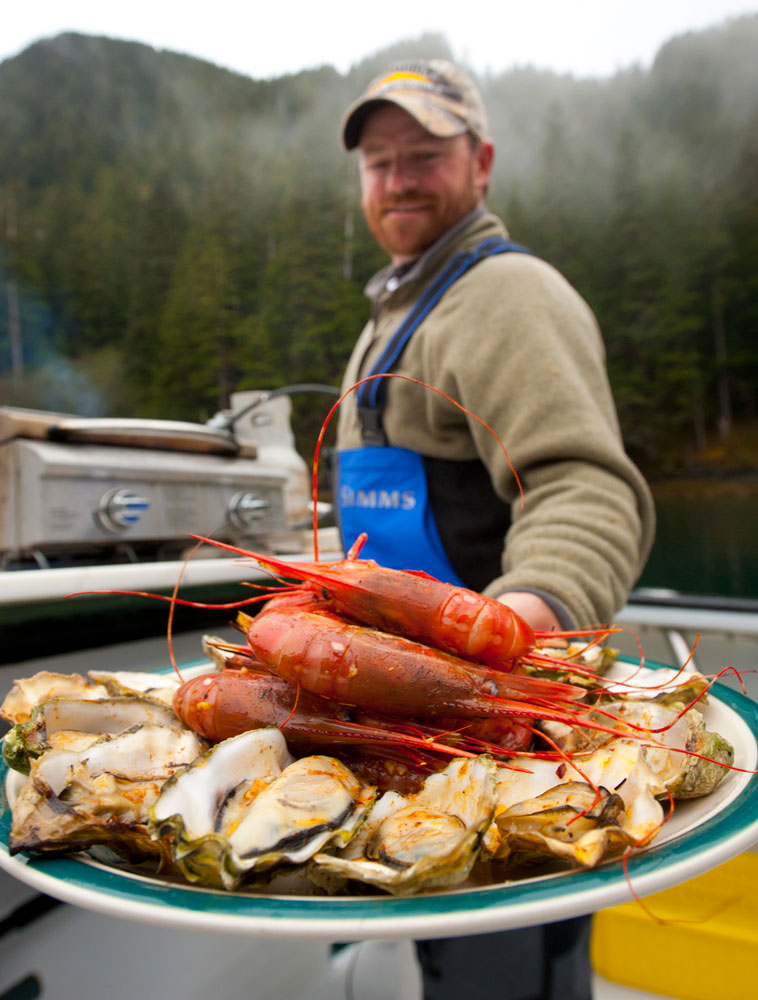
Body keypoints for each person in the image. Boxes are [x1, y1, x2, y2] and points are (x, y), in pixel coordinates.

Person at [332, 59, 656, 1000]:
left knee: (505, 958)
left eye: (424, 156)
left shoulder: (506, 296)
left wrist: (524, 621)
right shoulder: (398, 310)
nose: (398, 179)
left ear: (482, 163)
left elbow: (586, 487)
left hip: (499, 721)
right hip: (410, 720)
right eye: (380, 161)